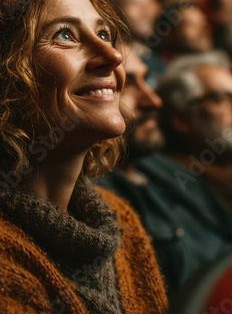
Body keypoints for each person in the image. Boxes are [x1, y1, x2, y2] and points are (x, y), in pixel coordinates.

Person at [0, 0, 167, 314]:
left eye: (103, 33)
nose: (114, 56)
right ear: (0, 80)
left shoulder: (121, 221)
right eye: (65, 35)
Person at [98, 50, 232, 293]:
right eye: (127, 83)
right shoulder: (100, 195)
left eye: (146, 81)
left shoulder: (162, 170)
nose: (153, 101)